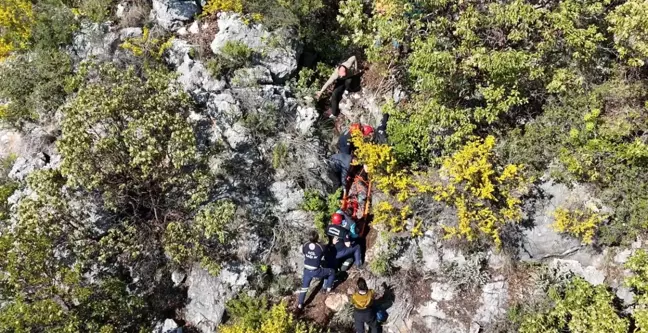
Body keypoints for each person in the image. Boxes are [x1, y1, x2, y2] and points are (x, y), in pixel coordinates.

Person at [297, 230, 336, 310]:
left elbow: (303, 251)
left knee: (304, 289)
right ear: (317, 238)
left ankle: (300, 304)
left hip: (307, 271)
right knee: (332, 272)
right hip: (316, 271)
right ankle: (328, 288)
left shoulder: (305, 245)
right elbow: (326, 251)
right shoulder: (321, 247)